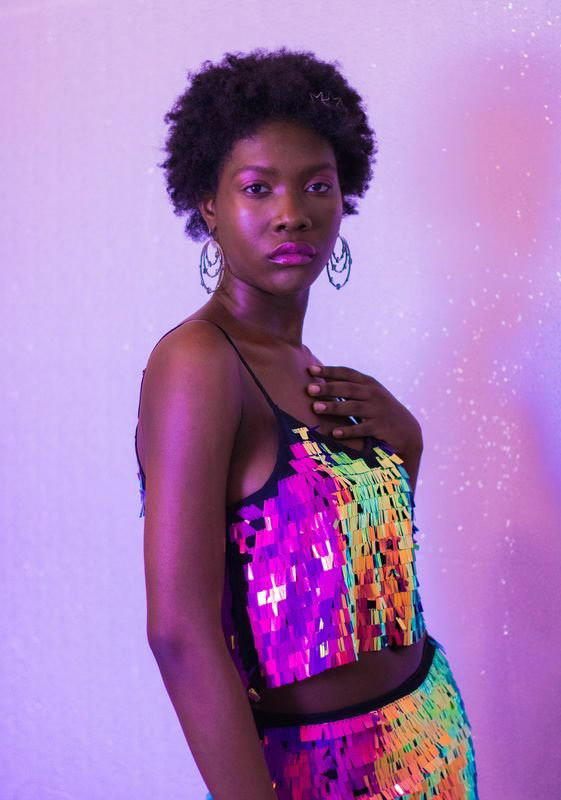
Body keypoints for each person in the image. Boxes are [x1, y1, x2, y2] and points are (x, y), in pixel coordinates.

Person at [134, 47, 479, 800]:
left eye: (317, 185)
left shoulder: (306, 364)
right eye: (258, 188)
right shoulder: (199, 361)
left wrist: (407, 447)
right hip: (318, 769)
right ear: (208, 204)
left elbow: (348, 579)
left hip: (432, 739)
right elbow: (179, 634)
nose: (292, 212)